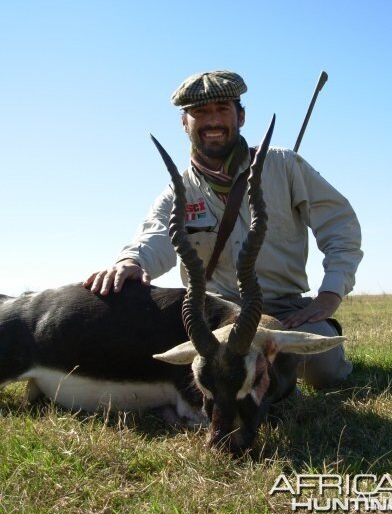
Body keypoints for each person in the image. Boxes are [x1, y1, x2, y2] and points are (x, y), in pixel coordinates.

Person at [84, 70, 363, 388]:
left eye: (222, 109)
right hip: (213, 313)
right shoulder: (179, 190)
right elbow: (155, 234)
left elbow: (339, 224)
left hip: (283, 308)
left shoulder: (283, 165)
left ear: (240, 116)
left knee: (324, 370)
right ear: (184, 123)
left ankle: (284, 361)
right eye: (200, 112)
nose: (212, 121)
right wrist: (131, 261)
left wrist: (329, 294)